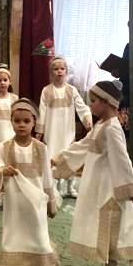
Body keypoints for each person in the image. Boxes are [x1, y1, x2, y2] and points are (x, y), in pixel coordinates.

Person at [52, 79, 133, 266]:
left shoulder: (112, 128)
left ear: (107, 102)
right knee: (101, 223)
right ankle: (111, 264)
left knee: (118, 224)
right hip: (97, 184)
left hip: (112, 187)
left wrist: (131, 189)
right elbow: (83, 146)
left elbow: (122, 160)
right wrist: (60, 159)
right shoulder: (100, 125)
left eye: (94, 101)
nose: (91, 105)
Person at [0, 98, 67, 266]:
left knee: (40, 240)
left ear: (34, 122)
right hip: (14, 205)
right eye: (17, 121)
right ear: (11, 121)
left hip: (36, 205)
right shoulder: (4, 147)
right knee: (14, 240)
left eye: (26, 121)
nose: (21, 125)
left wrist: (51, 203)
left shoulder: (41, 148)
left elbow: (47, 179)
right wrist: (2, 171)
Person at [37, 56, 92, 197]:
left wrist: (87, 119)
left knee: (68, 157)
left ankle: (69, 187)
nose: (59, 71)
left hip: (67, 131)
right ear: (51, 72)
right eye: (56, 69)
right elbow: (42, 111)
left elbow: (81, 106)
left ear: (66, 71)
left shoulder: (72, 90)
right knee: (53, 156)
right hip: (52, 131)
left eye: (62, 69)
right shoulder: (46, 91)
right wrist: (39, 131)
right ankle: (54, 187)